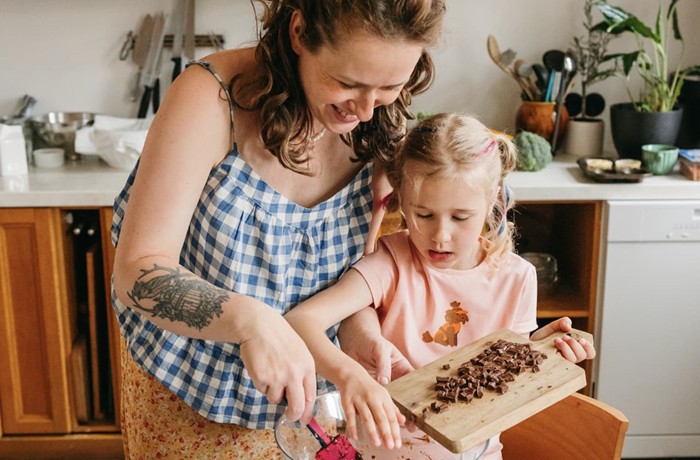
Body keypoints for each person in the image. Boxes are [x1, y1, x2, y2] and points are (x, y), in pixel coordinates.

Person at [110, 0, 447, 457]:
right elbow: (136, 272)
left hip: (318, 406)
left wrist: (360, 334)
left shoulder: (380, 121)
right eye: (348, 83)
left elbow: (352, 272)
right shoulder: (211, 98)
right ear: (298, 32)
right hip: (190, 396)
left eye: (389, 85)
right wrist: (251, 323)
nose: (367, 109)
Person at [285, 113, 597, 459]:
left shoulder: (517, 278)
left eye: (460, 217)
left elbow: (507, 377)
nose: (440, 236)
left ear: (493, 198)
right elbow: (300, 321)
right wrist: (349, 376)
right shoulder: (391, 264)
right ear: (402, 197)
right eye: (424, 215)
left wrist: (545, 350)